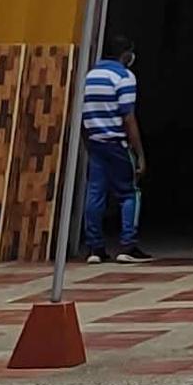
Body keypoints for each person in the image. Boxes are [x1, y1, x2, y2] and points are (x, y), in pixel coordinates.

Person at [76, 33, 145, 262]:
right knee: (129, 193)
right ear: (126, 54)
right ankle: (128, 245)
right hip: (117, 143)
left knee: (95, 194)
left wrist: (88, 143)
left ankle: (95, 248)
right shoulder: (124, 77)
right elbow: (128, 118)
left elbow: (82, 114)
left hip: (95, 143)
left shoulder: (90, 76)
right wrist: (140, 153)